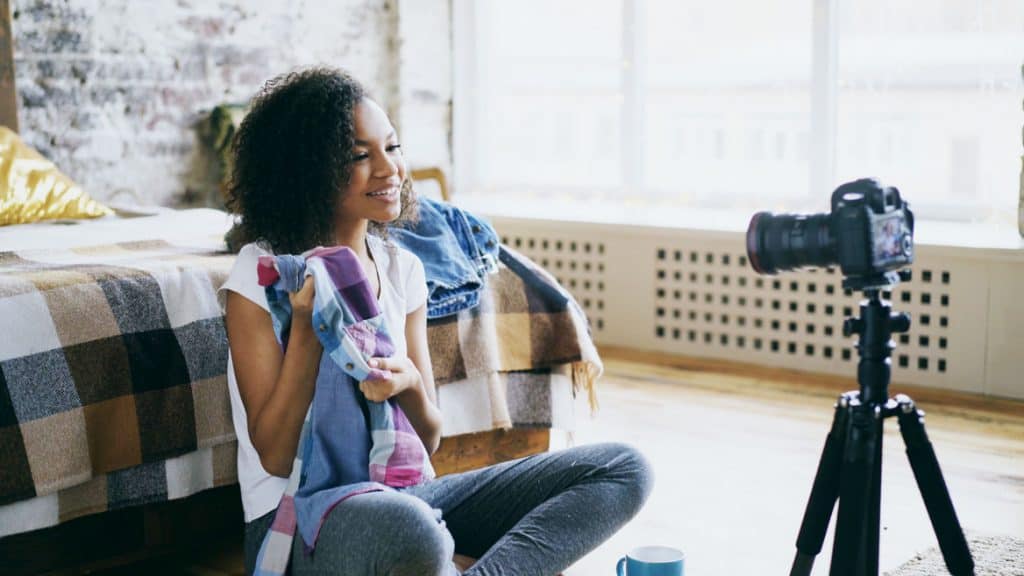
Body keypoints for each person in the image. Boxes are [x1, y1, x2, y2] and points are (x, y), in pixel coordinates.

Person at [220, 66, 653, 576]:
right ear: (307, 170)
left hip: (403, 494)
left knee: (624, 469)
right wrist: (307, 334)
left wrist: (408, 384)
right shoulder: (263, 275)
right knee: (417, 533)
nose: (390, 169)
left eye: (392, 147)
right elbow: (274, 456)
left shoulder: (402, 268)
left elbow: (428, 438)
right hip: (300, 519)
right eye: (360, 156)